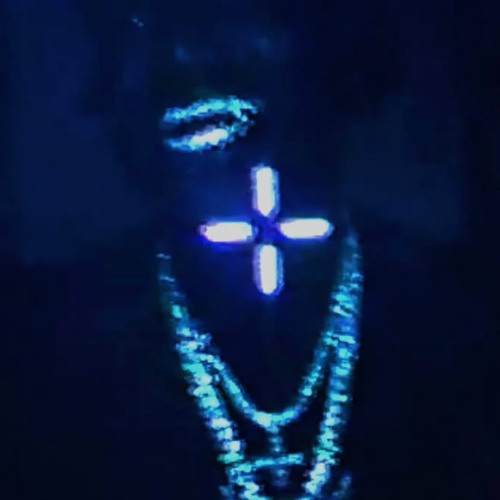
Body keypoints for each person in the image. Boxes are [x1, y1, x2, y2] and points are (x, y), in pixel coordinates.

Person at [4, 1, 496, 499]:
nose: (185, 56)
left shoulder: (456, 321)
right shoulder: (52, 348)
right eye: (140, 20)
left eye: (242, 20)